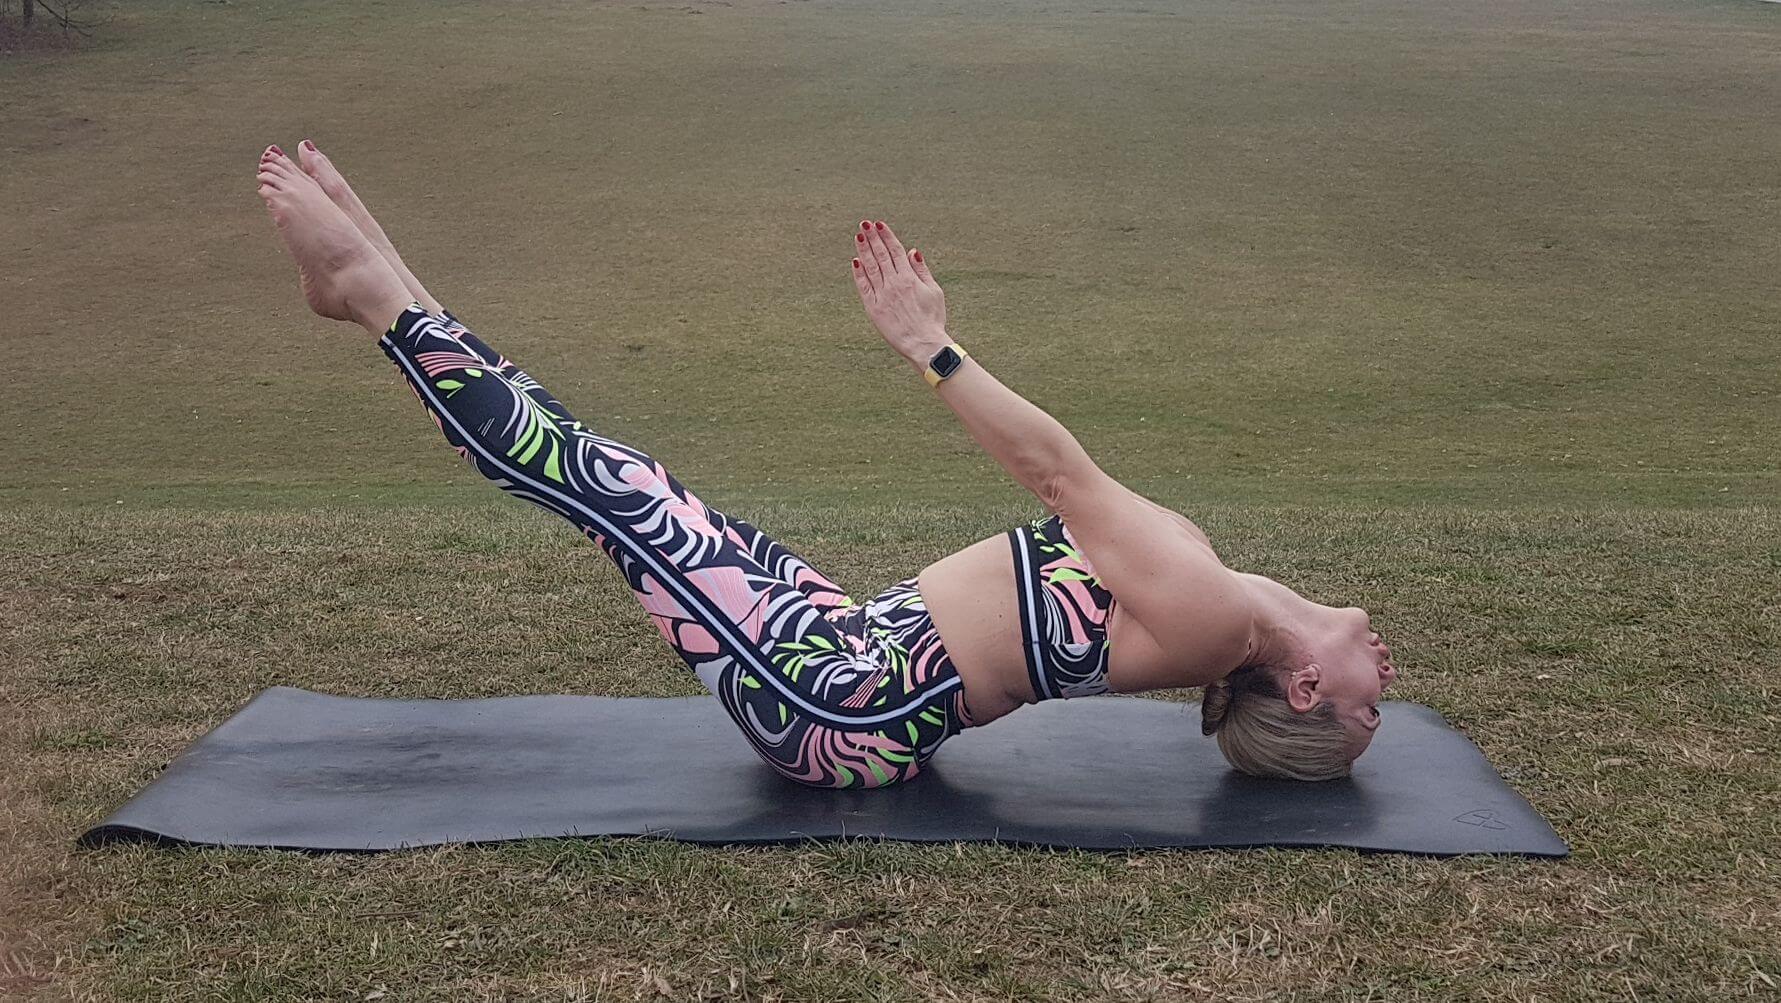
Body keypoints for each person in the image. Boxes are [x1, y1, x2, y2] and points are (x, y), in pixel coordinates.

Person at [254, 141, 1397, 789]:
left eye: (1367, 706)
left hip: (840, 704)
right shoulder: (1217, 606)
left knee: (605, 487)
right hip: (846, 645)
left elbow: (1063, 480)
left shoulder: (1212, 621)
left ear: (1303, 688)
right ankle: (376, 286)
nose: (1382, 677)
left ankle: (370, 291)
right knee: (616, 476)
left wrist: (930, 346)